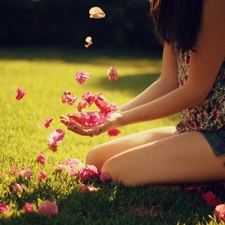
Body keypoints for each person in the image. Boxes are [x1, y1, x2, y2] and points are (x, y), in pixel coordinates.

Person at [60, 0, 225, 186]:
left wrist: (120, 119)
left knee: (117, 171)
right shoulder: (172, 5)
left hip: (220, 134)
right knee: (96, 159)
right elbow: (168, 82)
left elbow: (195, 91)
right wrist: (109, 114)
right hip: (194, 127)